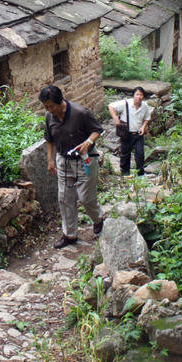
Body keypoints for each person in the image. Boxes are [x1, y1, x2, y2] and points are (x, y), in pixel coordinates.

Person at [39, 85, 104, 249]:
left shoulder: (80, 113)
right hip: (63, 161)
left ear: (60, 101)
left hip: (85, 160)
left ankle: (98, 220)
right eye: (46, 107)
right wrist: (50, 160)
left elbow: (97, 130)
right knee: (64, 198)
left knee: (85, 198)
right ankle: (69, 234)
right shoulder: (49, 117)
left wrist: (88, 142)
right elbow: (49, 139)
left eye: (50, 106)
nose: (48, 109)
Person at [108, 86, 152, 176]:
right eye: (137, 94)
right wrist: (115, 118)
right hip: (126, 133)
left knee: (140, 154)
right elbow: (110, 106)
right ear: (133, 95)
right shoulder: (126, 103)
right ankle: (125, 173)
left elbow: (147, 118)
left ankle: (140, 173)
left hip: (138, 134)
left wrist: (143, 127)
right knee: (125, 154)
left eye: (141, 95)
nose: (138, 97)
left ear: (143, 97)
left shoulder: (145, 106)